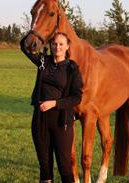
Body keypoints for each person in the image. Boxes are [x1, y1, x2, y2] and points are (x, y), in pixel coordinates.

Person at [20, 32, 83, 183]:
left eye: (61, 44)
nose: (57, 47)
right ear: (50, 45)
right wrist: (36, 32)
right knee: (45, 166)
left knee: (64, 166)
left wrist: (54, 103)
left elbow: (76, 97)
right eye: (54, 43)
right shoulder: (43, 61)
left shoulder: (72, 68)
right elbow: (24, 47)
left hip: (61, 122)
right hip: (40, 120)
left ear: (67, 46)